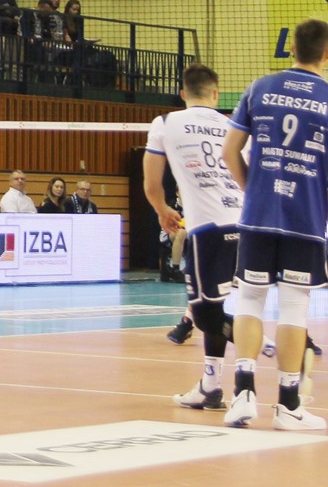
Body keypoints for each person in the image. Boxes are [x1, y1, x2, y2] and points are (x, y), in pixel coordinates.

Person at [221, 19, 328, 431]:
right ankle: (288, 405)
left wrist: (254, 189)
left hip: (258, 215)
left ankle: (243, 395)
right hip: (305, 220)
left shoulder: (259, 88)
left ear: (291, 48)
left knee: (249, 300)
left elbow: (229, 152)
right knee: (293, 306)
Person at [144, 63, 245, 412]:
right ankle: (210, 387)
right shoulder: (234, 126)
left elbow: (151, 183)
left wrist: (162, 210)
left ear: (183, 93)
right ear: (216, 94)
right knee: (214, 308)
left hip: (209, 230)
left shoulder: (165, 122)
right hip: (244, 225)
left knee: (203, 316)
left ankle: (272, 347)